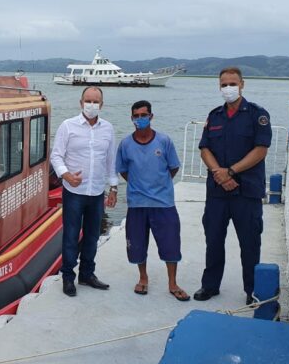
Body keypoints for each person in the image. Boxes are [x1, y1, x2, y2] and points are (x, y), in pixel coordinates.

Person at [194, 67, 272, 305]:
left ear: (242, 84)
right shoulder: (215, 115)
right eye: (224, 84)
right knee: (214, 239)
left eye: (232, 83)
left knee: (249, 243)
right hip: (217, 192)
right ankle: (210, 286)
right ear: (219, 87)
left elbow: (261, 150)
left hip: (246, 191)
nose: (228, 88)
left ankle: (252, 290)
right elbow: (204, 148)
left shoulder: (257, 115)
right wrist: (219, 174)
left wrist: (230, 172)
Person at [116, 100, 190, 301]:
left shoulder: (164, 141)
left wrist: (159, 183)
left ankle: (172, 283)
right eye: (136, 116)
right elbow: (123, 170)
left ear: (151, 116)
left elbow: (173, 167)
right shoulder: (125, 144)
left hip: (163, 203)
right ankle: (143, 277)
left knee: (170, 243)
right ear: (132, 119)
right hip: (137, 204)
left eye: (144, 115)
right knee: (137, 244)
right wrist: (138, 185)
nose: (140, 119)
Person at [50, 86, 119, 297]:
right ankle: (68, 277)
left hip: (97, 191)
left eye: (95, 101)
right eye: (88, 101)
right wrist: (66, 175)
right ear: (81, 103)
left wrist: (113, 187)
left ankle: (87, 274)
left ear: (102, 105)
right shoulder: (67, 126)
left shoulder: (107, 129)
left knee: (92, 235)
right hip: (73, 191)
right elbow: (56, 156)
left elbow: (110, 161)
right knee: (71, 235)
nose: (91, 105)